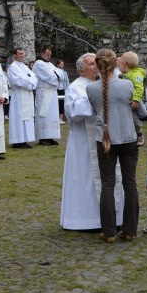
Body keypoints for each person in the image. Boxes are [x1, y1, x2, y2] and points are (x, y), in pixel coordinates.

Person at [61, 53, 124, 230]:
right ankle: (86, 220)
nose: (96, 66)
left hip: (108, 139)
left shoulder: (106, 83)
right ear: (81, 70)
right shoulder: (75, 87)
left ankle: (114, 218)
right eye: (91, 64)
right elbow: (75, 112)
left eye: (97, 63)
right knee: (86, 179)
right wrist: (98, 100)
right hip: (83, 142)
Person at [86, 49, 140, 243]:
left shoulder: (91, 89)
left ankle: (108, 232)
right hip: (128, 138)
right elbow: (140, 110)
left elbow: (95, 109)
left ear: (98, 65)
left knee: (107, 184)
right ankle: (129, 230)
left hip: (105, 139)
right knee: (130, 183)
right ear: (115, 64)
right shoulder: (128, 84)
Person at [7, 48, 37, 149]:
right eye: (20, 54)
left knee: (27, 117)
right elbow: (19, 81)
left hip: (27, 95)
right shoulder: (13, 67)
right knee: (19, 118)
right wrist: (30, 82)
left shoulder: (24, 66)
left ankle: (25, 139)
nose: (22, 55)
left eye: (23, 54)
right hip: (19, 96)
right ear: (15, 55)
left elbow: (34, 78)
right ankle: (17, 140)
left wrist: (30, 82)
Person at [118, 51, 147, 146]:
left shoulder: (136, 74)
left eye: (119, 64)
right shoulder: (127, 74)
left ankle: (140, 136)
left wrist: (136, 100)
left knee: (135, 115)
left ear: (124, 64)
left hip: (135, 100)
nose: (118, 67)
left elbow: (139, 87)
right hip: (131, 100)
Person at [34, 45, 60, 146]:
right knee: (44, 115)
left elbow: (60, 73)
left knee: (52, 115)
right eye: (47, 54)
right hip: (44, 93)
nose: (49, 56)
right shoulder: (39, 63)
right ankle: (43, 137)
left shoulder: (50, 64)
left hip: (52, 93)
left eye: (50, 55)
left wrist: (56, 73)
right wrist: (56, 74)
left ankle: (50, 136)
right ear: (42, 53)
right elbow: (50, 76)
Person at [55, 59, 70, 125]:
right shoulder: (54, 71)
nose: (62, 65)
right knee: (56, 103)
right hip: (56, 89)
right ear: (57, 65)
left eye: (63, 64)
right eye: (61, 64)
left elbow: (66, 81)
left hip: (62, 89)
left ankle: (60, 118)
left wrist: (67, 88)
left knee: (62, 103)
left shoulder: (64, 72)